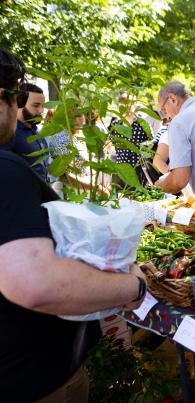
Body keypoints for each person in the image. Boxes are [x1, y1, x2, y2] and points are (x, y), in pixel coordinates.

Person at [0, 48, 146, 403]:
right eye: (18, 98)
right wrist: (134, 286)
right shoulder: (6, 169)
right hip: (32, 382)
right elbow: (36, 285)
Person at [9, 83, 49, 181]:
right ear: (19, 103)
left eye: (43, 106)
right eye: (36, 105)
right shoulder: (9, 133)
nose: (41, 110)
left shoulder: (37, 131)